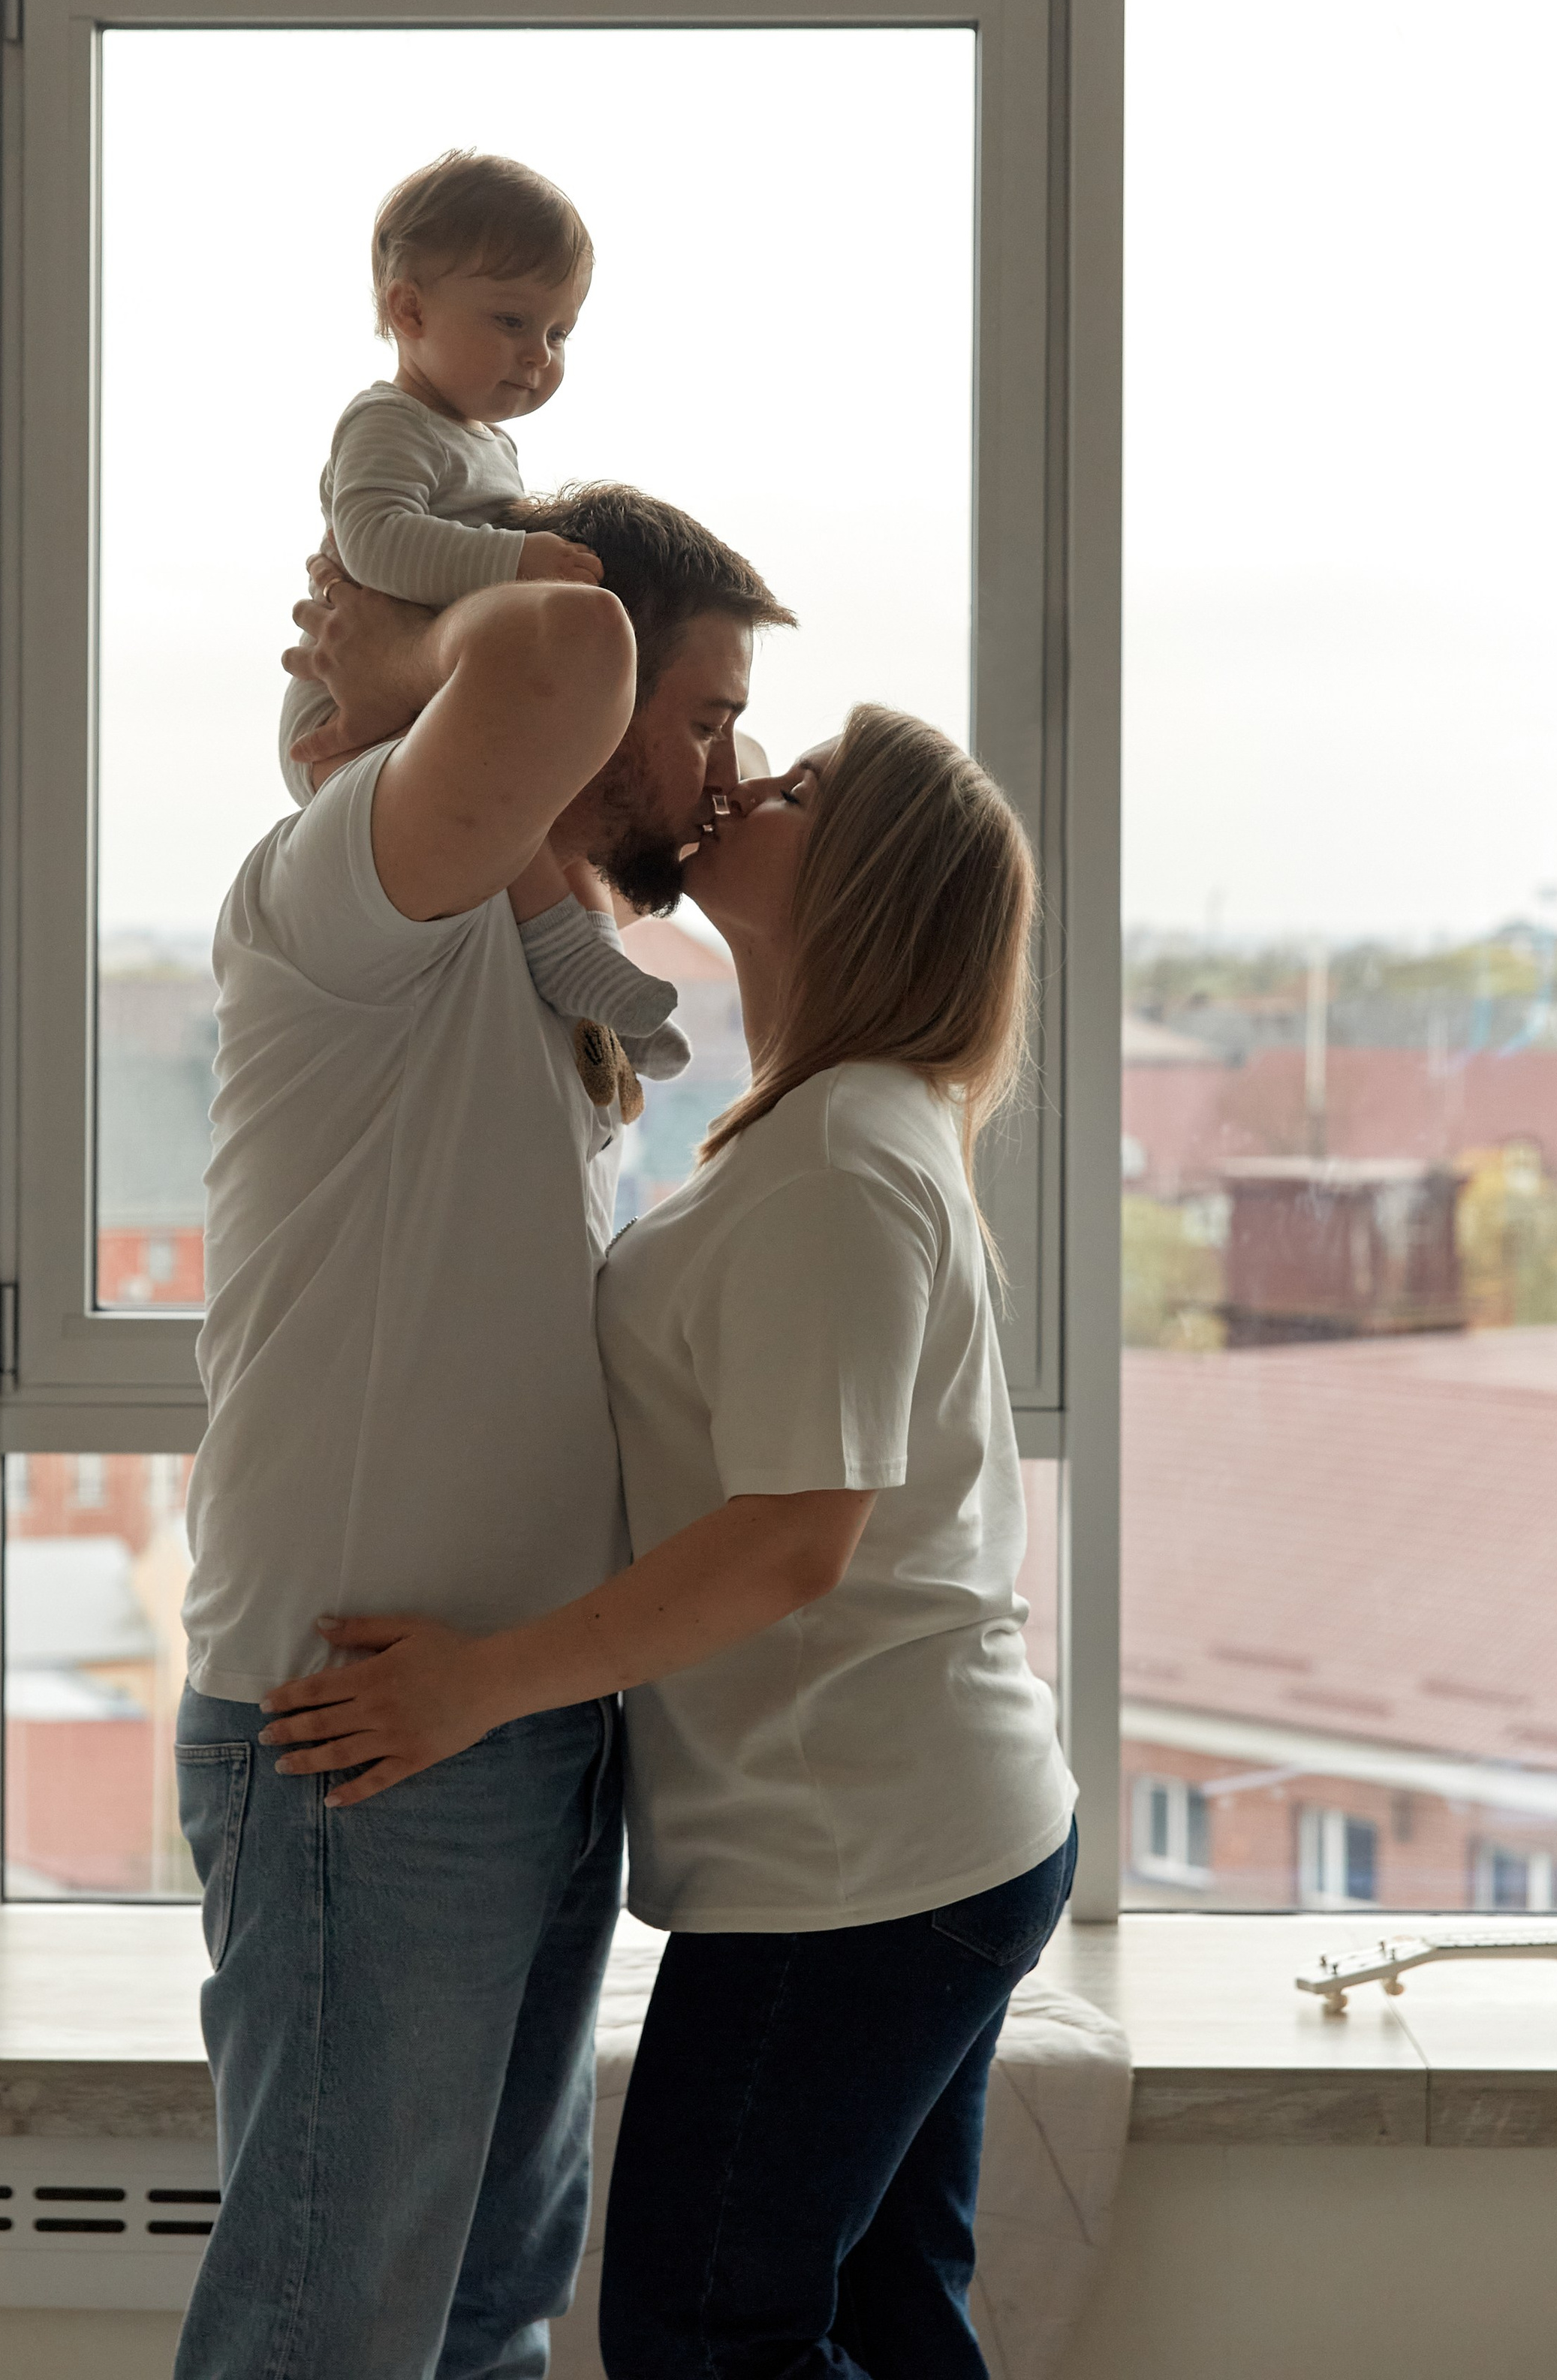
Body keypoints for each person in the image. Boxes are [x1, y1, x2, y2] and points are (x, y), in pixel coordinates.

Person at [259, 703, 1077, 2379]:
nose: (741, 781)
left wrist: (473, 1687)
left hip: (861, 1864)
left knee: (708, 2330)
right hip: (912, 1837)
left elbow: (789, 1542)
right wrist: (400, 772)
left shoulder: (841, 1156)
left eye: (794, 791)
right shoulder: (826, 1126)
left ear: (862, 883)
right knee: (884, 2315)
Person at [173, 483, 792, 2380]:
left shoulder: (522, 951)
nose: (724, 768)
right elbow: (549, 650)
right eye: (701, 713)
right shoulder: (360, 874)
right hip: (363, 1730)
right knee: (326, 2329)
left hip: (503, 1713)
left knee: (481, 2310)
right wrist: (405, 640)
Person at [279, 144, 688, 1078]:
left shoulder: (484, 444)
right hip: (349, 717)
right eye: (512, 321)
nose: (536, 357)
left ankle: (601, 971)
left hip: (426, 699)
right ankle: (569, 956)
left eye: (559, 334)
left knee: (540, 805)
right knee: (512, 821)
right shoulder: (385, 422)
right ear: (408, 310)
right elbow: (379, 543)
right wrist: (517, 561)